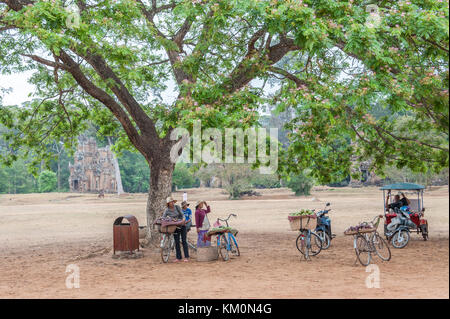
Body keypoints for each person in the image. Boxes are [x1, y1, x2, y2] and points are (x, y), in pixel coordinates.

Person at [162, 196, 189, 262]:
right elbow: (163, 217)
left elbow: (182, 215)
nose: (171, 203)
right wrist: (169, 219)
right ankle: (178, 257)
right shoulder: (167, 210)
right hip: (174, 227)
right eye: (170, 202)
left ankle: (186, 257)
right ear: (168, 203)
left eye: (172, 202)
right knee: (176, 242)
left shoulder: (177, 207)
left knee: (184, 241)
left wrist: (183, 219)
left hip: (182, 225)